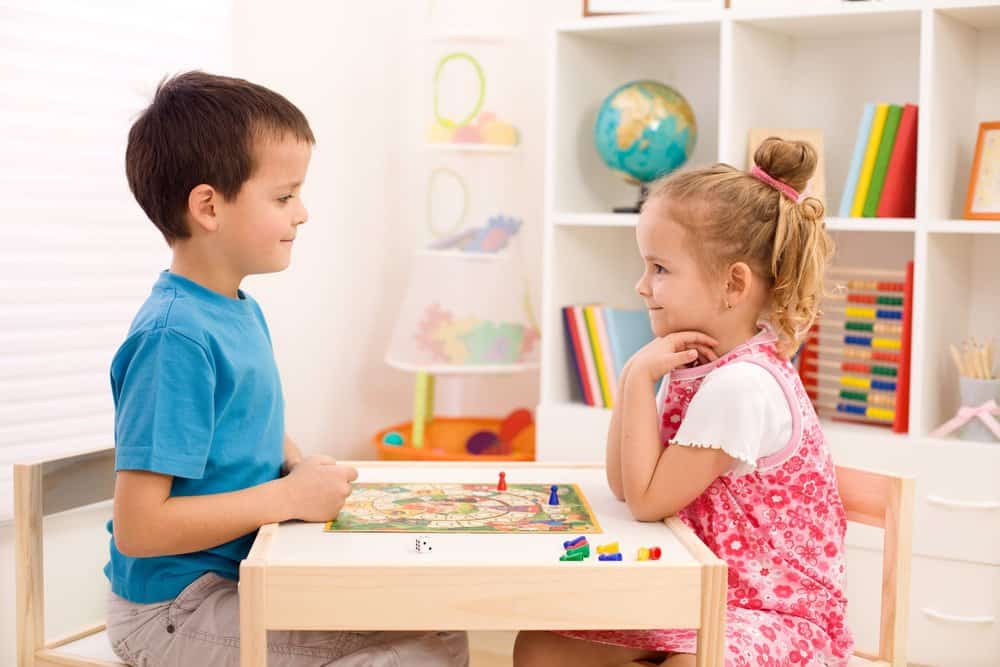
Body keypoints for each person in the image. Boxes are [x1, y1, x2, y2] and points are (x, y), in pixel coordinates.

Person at [104, 71, 468, 667]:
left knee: (438, 626)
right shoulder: (174, 337)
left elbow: (245, 423)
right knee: (426, 648)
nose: (302, 213)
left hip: (233, 580)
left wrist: (295, 462)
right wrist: (286, 495)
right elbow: (139, 528)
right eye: (283, 196)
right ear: (208, 206)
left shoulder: (233, 309)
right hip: (173, 612)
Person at [515, 137, 854, 667]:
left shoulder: (741, 386)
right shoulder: (697, 364)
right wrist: (638, 375)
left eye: (660, 269)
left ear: (733, 284)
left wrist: (634, 381)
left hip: (774, 617)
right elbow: (627, 486)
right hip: (700, 598)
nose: (642, 285)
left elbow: (648, 503)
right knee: (542, 646)